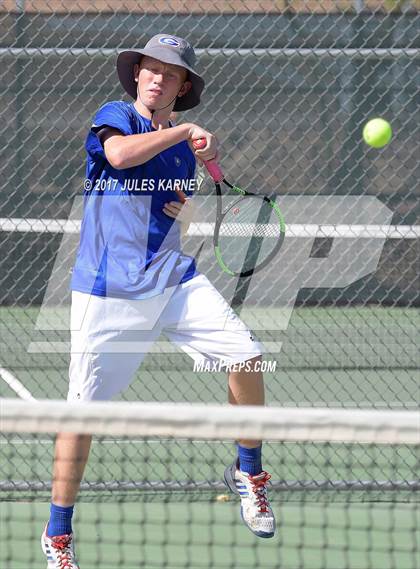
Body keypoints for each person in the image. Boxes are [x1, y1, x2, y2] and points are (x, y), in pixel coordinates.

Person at [41, 34, 275, 568]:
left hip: (170, 278)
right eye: (150, 69)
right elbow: (119, 157)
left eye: (169, 74)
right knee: (82, 413)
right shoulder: (115, 115)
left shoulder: (178, 149)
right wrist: (187, 132)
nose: (157, 78)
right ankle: (57, 534)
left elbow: (174, 207)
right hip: (107, 287)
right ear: (137, 75)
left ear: (183, 85)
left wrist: (183, 202)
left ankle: (249, 469)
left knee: (247, 354)